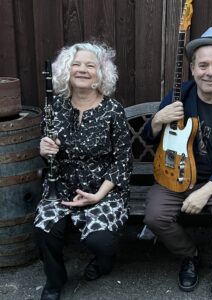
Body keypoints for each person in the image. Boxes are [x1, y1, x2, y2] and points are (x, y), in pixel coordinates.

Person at [142, 27, 212, 299]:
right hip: (175, 175)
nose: (210, 72)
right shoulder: (178, 96)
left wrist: (206, 191)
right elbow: (149, 137)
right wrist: (158, 119)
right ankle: (189, 255)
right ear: (192, 69)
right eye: (203, 65)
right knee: (155, 217)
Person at [34, 42, 132, 300]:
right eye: (76, 64)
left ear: (101, 73)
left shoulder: (113, 111)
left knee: (101, 241)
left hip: (104, 190)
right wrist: (45, 151)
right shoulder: (54, 106)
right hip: (62, 186)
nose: (82, 70)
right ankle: (55, 281)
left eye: (90, 65)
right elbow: (48, 158)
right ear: (67, 70)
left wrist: (99, 195)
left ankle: (104, 261)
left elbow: (123, 160)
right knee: (45, 230)